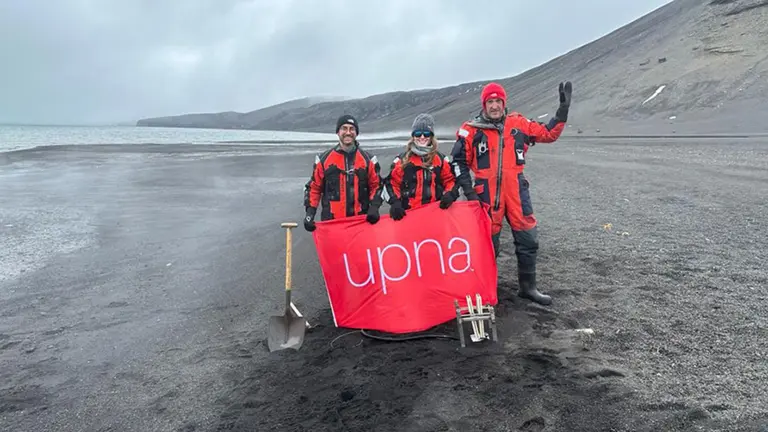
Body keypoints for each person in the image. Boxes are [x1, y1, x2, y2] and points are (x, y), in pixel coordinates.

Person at [450, 81, 572, 306]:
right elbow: (457, 163)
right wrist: (469, 192)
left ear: (504, 103)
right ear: (484, 105)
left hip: (516, 191)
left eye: (498, 101)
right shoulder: (471, 130)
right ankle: (485, 291)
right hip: (485, 196)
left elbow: (547, 134)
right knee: (487, 246)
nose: (494, 106)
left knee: (528, 240)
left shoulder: (518, 124)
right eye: (490, 102)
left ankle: (528, 288)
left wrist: (562, 112)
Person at [303, 114, 384, 231]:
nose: (348, 132)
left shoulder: (368, 160)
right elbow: (314, 188)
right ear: (338, 132)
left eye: (352, 129)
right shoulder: (324, 160)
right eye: (344, 128)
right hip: (332, 225)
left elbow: (377, 186)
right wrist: (310, 213)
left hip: (360, 224)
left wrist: (374, 207)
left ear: (356, 133)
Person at [384, 113, 458, 220]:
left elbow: (451, 180)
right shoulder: (402, 160)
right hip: (408, 215)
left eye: (426, 134)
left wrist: (450, 194)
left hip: (435, 215)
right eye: (418, 133)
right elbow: (390, 184)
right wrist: (394, 202)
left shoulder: (441, 159)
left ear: (431, 136)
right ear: (413, 136)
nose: (422, 137)